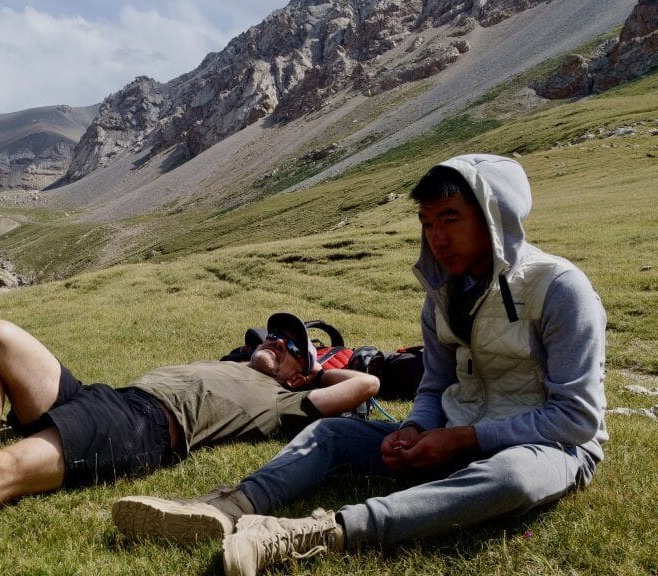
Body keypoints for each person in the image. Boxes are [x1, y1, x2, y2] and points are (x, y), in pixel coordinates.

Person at [114, 154, 608, 576]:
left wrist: (462, 439)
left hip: (549, 449)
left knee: (514, 478)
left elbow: (577, 417)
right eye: (427, 222)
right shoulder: (440, 296)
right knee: (331, 433)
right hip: (455, 433)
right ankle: (229, 506)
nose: (437, 237)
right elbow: (435, 384)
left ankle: (315, 534)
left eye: (450, 218)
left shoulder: (560, 289)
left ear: (494, 217)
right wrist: (416, 428)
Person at [0, 312, 379, 571]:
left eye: (288, 345)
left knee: (1, 472)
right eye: (269, 335)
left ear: (304, 371)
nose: (271, 343)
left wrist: (319, 368)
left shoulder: (288, 401)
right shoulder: (244, 366)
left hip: (141, 430)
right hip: (107, 399)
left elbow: (368, 382)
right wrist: (272, 354)